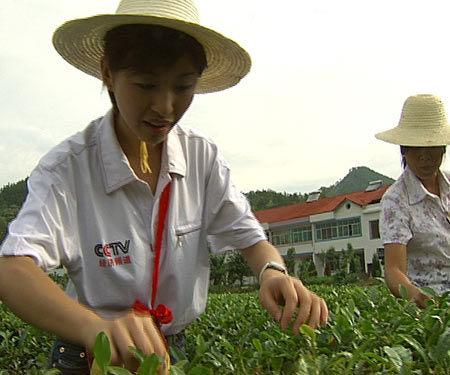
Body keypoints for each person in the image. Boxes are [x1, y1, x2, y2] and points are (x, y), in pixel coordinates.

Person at [0, 0, 328, 373]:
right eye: (146, 85)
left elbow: (251, 239)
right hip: (90, 356)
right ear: (108, 73)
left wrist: (272, 271)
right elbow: (12, 269)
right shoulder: (69, 169)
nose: (165, 106)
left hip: (174, 354)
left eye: (183, 86)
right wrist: (98, 329)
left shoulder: (200, 157)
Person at [376, 94, 450, 308]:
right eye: (416, 148)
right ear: (404, 150)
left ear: (443, 148)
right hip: (432, 303)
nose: (425, 157)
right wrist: (418, 297)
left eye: (432, 147)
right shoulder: (397, 200)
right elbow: (394, 271)